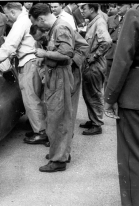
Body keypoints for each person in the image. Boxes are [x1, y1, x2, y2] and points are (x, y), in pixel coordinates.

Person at [0, 2, 48, 146]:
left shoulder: (20, 22)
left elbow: (10, 44)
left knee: (30, 98)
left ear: (13, 12)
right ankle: (39, 128)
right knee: (36, 97)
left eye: (8, 15)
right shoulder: (27, 19)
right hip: (34, 61)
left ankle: (40, 132)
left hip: (28, 63)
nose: (7, 18)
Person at [30, 3, 75, 172]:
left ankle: (58, 160)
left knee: (58, 118)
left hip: (59, 76)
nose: (37, 27)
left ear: (41, 19)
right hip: (55, 75)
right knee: (55, 116)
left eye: (37, 23)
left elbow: (66, 54)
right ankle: (61, 152)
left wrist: (44, 54)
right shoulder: (56, 27)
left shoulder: (60, 27)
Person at [104, 8, 139, 206]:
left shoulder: (135, 14)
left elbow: (122, 59)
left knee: (132, 159)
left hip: (135, 97)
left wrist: (110, 98)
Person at [78, 3, 112, 135]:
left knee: (94, 94)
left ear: (92, 9)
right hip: (89, 64)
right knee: (88, 93)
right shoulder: (93, 22)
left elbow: (107, 41)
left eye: (84, 9)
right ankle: (93, 120)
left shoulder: (99, 22)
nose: (81, 11)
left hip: (95, 65)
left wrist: (94, 56)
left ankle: (97, 124)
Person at [105, 3, 130, 90]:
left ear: (128, 6)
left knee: (121, 81)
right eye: (117, 5)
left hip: (124, 55)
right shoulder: (110, 19)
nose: (118, 7)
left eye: (121, 5)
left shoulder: (132, 20)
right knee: (107, 80)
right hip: (110, 54)